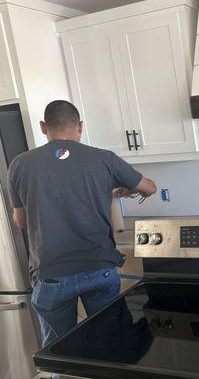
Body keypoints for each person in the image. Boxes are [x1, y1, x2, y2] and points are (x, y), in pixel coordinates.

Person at [7, 100, 157, 347]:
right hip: (98, 268)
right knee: (111, 343)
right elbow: (149, 188)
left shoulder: (20, 164)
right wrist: (123, 189)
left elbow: (21, 222)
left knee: (59, 351)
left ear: (43, 127)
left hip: (51, 274)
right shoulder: (103, 159)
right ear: (80, 126)